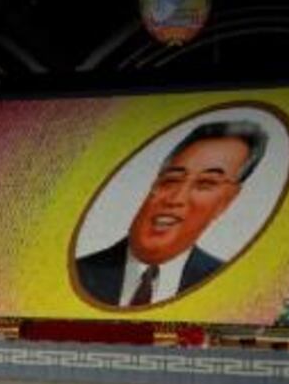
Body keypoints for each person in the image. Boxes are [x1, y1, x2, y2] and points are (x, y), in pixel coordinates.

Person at [75, 120, 268, 307]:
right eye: (172, 179)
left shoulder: (233, 288)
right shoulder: (77, 274)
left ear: (227, 201)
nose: (176, 199)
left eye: (205, 183)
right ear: (155, 184)